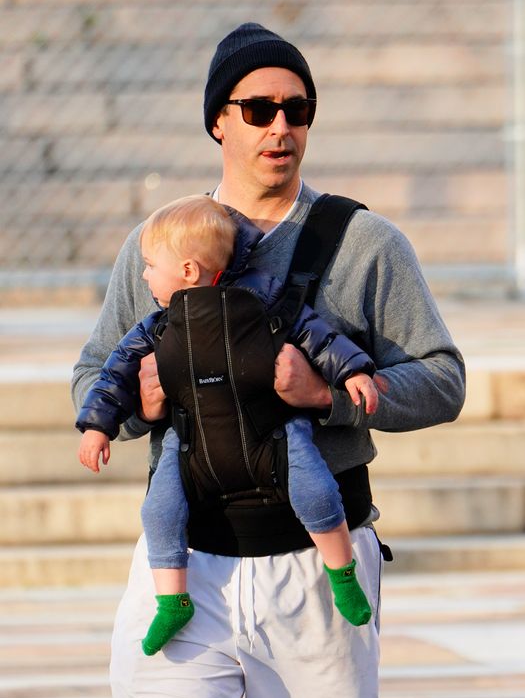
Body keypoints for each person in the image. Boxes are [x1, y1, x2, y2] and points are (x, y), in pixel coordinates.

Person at [72, 22, 465, 698]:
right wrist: (127, 405)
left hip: (311, 549)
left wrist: (327, 390)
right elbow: (88, 377)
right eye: (259, 109)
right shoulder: (154, 244)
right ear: (218, 121)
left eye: (297, 109)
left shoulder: (359, 244)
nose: (281, 127)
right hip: (188, 554)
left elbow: (442, 378)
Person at [76, 194, 378, 655]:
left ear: (189, 271)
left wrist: (350, 371)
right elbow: (114, 373)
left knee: (316, 488)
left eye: (151, 265)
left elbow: (317, 335)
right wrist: (100, 425)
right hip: (191, 437)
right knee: (159, 509)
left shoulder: (265, 299)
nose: (143, 276)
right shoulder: (156, 325)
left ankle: (342, 574)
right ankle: (172, 598)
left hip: (273, 426)